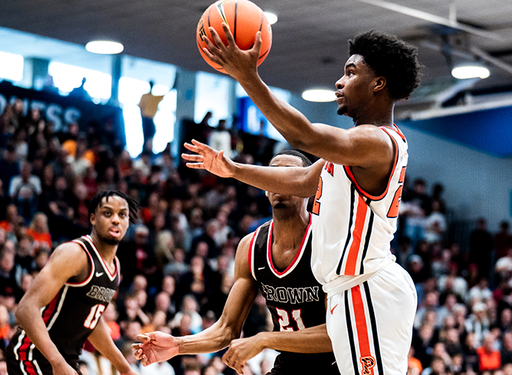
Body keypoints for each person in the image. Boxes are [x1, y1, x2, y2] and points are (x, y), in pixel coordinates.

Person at [185, 26, 421, 375]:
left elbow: (302, 135)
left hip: (367, 287)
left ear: (379, 84)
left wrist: (247, 76)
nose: (340, 82)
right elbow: (300, 180)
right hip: (350, 288)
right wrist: (233, 169)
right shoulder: (348, 150)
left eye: (351, 72)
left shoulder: (374, 141)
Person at [133, 151, 338, 375]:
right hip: (288, 365)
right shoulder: (250, 247)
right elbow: (226, 329)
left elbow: (338, 333)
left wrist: (265, 339)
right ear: (265, 187)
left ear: (309, 187)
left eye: (289, 174)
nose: (280, 180)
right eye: (273, 174)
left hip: (335, 365)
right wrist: (178, 345)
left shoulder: (329, 241)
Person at [5, 191, 140, 375]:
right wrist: (57, 362)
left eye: (122, 214)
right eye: (108, 213)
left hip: (67, 360)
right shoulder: (75, 254)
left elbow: (91, 320)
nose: (116, 220)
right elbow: (26, 309)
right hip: (33, 356)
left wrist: (124, 368)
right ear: (92, 218)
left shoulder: (115, 266)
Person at [138, 81, 164, 152]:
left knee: (150, 136)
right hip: (145, 120)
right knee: (147, 137)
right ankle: (146, 152)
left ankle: (148, 152)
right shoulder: (145, 96)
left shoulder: (154, 97)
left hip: (149, 120)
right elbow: (140, 108)